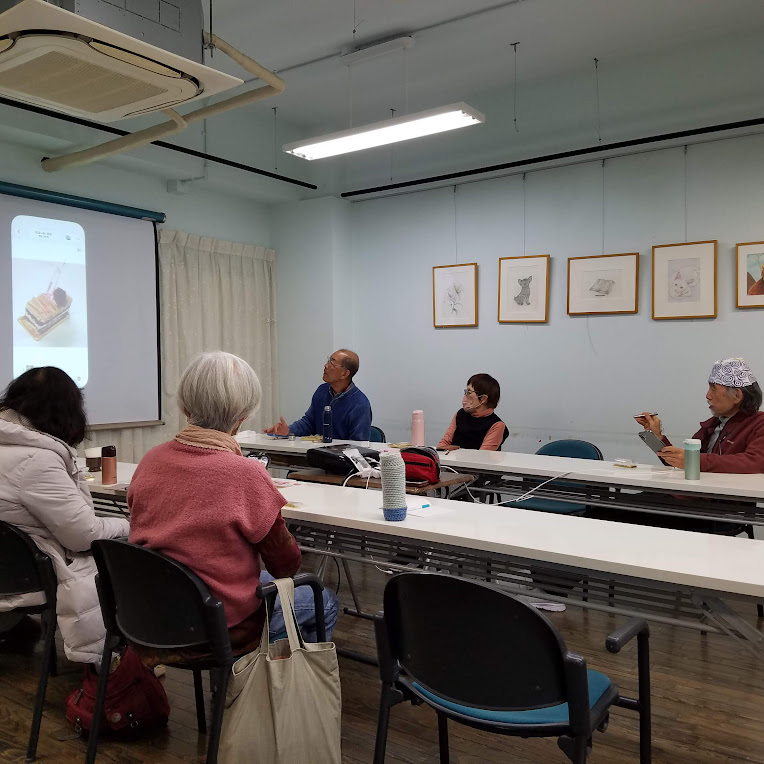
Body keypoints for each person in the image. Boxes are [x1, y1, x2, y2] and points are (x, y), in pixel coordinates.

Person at [128, 351, 338, 662]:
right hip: (220, 626)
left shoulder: (150, 460)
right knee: (323, 599)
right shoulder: (246, 474)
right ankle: (265, 685)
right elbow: (285, 566)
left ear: (184, 407)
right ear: (243, 416)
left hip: (152, 615)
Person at [0, 367, 129, 664]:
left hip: (10, 569)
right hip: (36, 572)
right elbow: (83, 536)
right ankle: (115, 662)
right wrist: (128, 525)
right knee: (129, 555)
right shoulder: (38, 460)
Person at [637, 357, 764, 473]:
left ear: (737, 395)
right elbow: (683, 465)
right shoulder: (713, 425)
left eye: (713, 389)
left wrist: (695, 460)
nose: (708, 396)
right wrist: (657, 437)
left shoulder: (759, 424)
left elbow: (755, 462)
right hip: (696, 488)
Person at [265, 349, 371, 441]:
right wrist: (287, 431)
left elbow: (358, 445)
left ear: (344, 374)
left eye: (332, 363)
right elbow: (309, 423)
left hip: (340, 457)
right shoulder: (322, 390)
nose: (326, 365)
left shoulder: (360, 404)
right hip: (319, 454)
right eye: (328, 360)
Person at [437, 374, 509, 451]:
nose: (465, 395)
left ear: (483, 399)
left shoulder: (497, 425)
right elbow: (445, 443)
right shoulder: (460, 414)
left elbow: (483, 455)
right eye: (465, 392)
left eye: (469, 392)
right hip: (452, 458)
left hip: (475, 459)